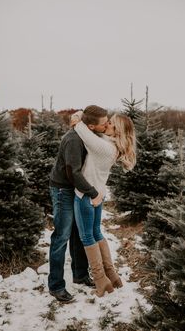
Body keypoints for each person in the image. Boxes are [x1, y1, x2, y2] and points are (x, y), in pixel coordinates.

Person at [72, 110, 136, 297]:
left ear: (116, 131)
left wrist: (78, 118)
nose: (105, 125)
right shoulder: (110, 144)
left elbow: (82, 129)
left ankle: (101, 280)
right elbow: (96, 133)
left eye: (109, 124)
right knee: (96, 233)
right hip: (98, 193)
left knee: (87, 237)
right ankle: (112, 275)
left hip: (86, 195)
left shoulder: (104, 148)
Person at [48, 105, 109, 302]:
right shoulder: (74, 140)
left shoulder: (88, 135)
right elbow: (72, 173)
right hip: (63, 190)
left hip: (76, 188)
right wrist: (92, 192)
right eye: (104, 123)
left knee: (78, 232)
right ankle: (56, 285)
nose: (107, 124)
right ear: (91, 126)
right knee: (62, 235)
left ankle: (80, 275)